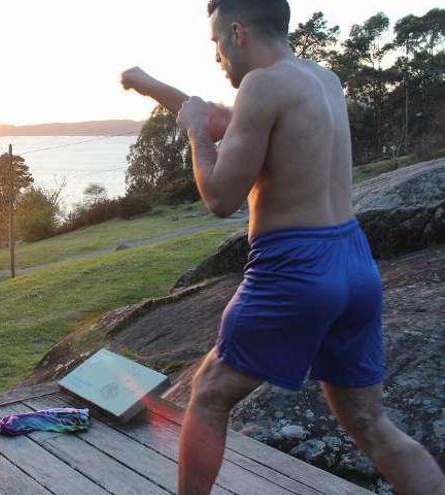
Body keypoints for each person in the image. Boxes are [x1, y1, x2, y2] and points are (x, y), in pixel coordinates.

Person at [122, 1, 445, 494]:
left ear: (237, 31)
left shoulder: (262, 85)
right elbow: (223, 121)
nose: (217, 56)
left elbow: (221, 197)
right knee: (369, 421)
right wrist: (151, 86)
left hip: (294, 268)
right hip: (354, 262)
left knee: (208, 394)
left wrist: (192, 134)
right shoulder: (322, 79)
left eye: (215, 43)